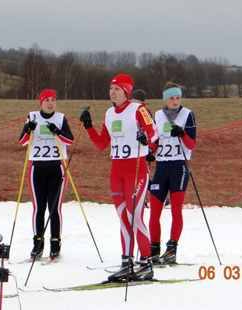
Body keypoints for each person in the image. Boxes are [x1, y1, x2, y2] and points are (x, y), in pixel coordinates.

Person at [79, 74, 158, 282]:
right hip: (117, 170)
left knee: (135, 216)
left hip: (136, 169)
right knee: (123, 217)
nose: (112, 92)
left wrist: (145, 138)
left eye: (117, 89)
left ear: (126, 92)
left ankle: (146, 263)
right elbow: (102, 144)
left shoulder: (138, 109)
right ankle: (126, 263)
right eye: (111, 88)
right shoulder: (109, 113)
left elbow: (153, 132)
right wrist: (88, 126)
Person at [19, 89, 74, 260]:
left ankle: (55, 243)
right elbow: (22, 142)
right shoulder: (32, 116)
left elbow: (70, 141)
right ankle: (37, 244)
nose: (50, 103)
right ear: (40, 102)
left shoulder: (60, 118)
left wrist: (57, 131)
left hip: (57, 167)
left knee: (54, 208)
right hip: (37, 167)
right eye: (46, 100)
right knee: (39, 208)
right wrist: (28, 129)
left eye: (53, 100)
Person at [148, 82, 196, 265]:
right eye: (171, 98)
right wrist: (150, 149)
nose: (175, 101)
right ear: (165, 99)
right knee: (154, 211)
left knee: (176, 209)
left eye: (178, 98)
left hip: (179, 166)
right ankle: (153, 249)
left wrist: (182, 134)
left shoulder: (187, 115)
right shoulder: (158, 115)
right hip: (162, 167)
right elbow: (156, 139)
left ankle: (171, 249)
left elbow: (191, 145)